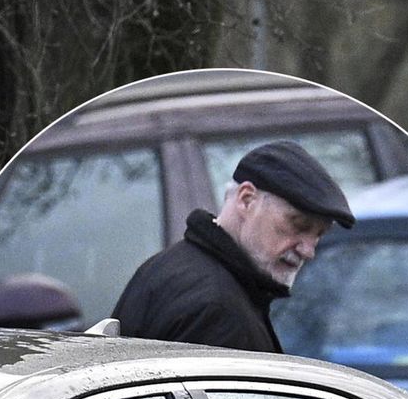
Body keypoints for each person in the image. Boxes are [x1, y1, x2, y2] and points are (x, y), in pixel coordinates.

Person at [113, 141, 355, 351]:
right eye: (298, 225)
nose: (309, 251)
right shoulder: (219, 311)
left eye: (319, 235)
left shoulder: (167, 266)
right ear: (246, 199)